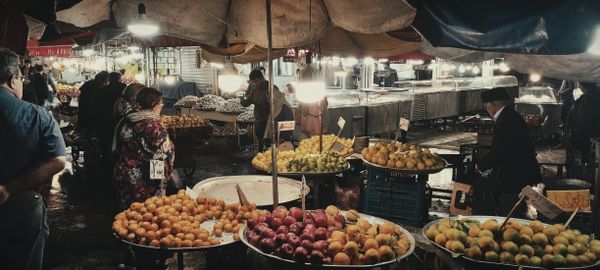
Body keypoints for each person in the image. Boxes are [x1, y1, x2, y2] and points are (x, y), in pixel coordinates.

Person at [0, 48, 67, 270]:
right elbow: (58, 160)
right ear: (13, 79)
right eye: (21, 77)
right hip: (21, 205)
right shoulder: (36, 114)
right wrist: (10, 188)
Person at [476, 87, 541, 216]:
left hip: (514, 175)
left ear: (494, 104)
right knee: (515, 207)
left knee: (511, 212)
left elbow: (499, 151)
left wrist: (480, 165)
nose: (486, 109)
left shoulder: (506, 120)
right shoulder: (511, 116)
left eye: (486, 105)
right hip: (521, 172)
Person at [114, 87, 174, 210]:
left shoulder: (127, 120)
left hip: (124, 175)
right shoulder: (154, 126)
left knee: (127, 217)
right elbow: (162, 157)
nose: (161, 106)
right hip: (143, 182)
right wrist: (159, 187)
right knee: (145, 219)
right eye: (161, 103)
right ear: (153, 104)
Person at [241, 69, 294, 150]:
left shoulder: (273, 90)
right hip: (260, 119)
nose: (255, 84)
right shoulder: (254, 90)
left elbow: (287, 126)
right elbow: (246, 102)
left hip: (271, 120)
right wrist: (242, 99)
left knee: (271, 141)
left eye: (256, 81)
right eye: (253, 82)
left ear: (260, 79)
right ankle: (262, 152)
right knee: (261, 139)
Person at [565, 82, 600, 179]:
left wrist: (574, 133)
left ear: (582, 85)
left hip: (585, 137)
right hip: (590, 135)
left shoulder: (588, 99)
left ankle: (582, 180)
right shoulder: (594, 95)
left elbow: (584, 121)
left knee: (584, 163)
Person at [94, 72, 126, 148]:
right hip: (120, 116)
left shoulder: (104, 90)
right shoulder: (124, 88)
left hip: (106, 117)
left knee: (107, 138)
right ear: (119, 79)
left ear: (109, 79)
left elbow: (99, 105)